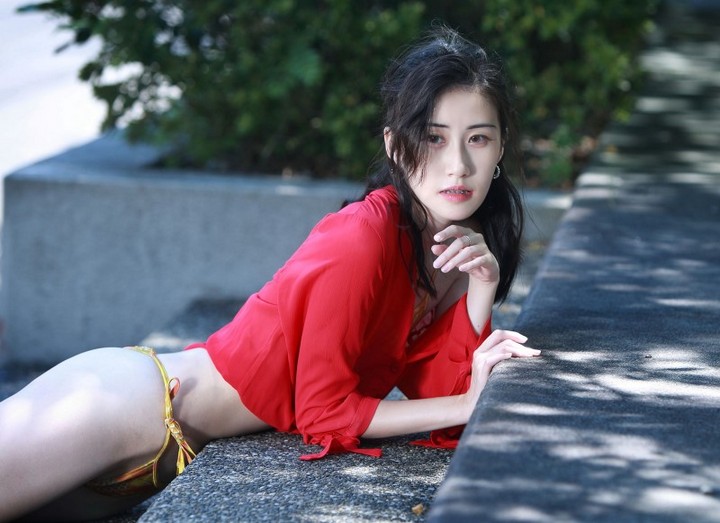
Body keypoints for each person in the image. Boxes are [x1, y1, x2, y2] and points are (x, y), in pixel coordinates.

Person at [0, 26, 540, 522]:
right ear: (395, 146)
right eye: (434, 137)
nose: (458, 164)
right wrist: (465, 402)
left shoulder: (456, 251)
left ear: (499, 149)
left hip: (161, 460)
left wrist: (482, 288)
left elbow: (446, 408)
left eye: (478, 138)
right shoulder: (363, 235)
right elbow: (325, 414)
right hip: (126, 407)